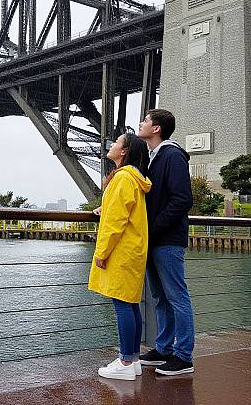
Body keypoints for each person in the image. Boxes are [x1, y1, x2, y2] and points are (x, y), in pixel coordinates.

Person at [88, 132, 151, 381]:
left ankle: (125, 362)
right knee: (130, 304)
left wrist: (102, 252)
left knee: (122, 305)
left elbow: (115, 221)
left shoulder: (122, 178)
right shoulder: (134, 179)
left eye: (116, 143)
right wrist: (106, 205)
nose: (111, 145)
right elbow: (124, 209)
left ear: (124, 152)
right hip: (133, 248)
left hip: (122, 250)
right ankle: (133, 359)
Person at [137, 109, 195, 375]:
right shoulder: (153, 158)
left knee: (177, 297)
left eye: (146, 120)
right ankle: (164, 348)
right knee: (161, 298)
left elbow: (182, 200)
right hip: (155, 239)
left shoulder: (172, 156)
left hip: (167, 240)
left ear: (157, 128)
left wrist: (154, 228)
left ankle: (183, 356)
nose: (141, 124)